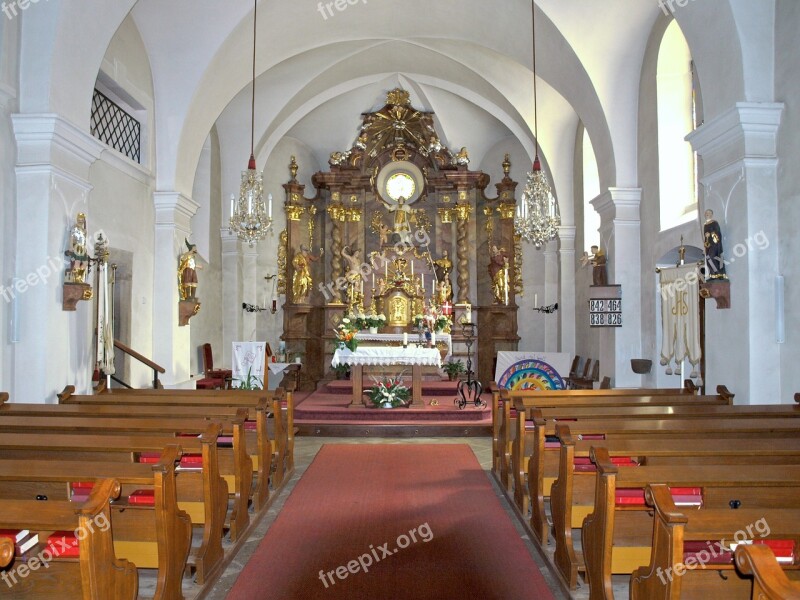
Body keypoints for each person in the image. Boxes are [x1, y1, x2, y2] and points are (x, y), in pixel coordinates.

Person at [65, 213, 90, 284]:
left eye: (82, 220)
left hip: (82, 248)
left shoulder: (84, 230)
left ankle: (80, 276)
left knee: (85, 263)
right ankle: (77, 278)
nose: (80, 221)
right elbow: (71, 237)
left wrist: (85, 249)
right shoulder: (74, 227)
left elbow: (84, 241)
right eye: (79, 219)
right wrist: (71, 246)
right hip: (77, 247)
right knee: (77, 262)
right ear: (77, 219)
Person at [703, 209, 727, 280]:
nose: (707, 214)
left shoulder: (714, 223)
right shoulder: (705, 225)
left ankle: (718, 273)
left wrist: (711, 234)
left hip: (715, 244)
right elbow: (705, 237)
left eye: (709, 213)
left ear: (711, 214)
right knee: (708, 258)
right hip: (708, 245)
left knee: (712, 257)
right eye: (706, 213)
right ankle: (713, 274)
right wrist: (705, 247)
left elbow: (718, 233)